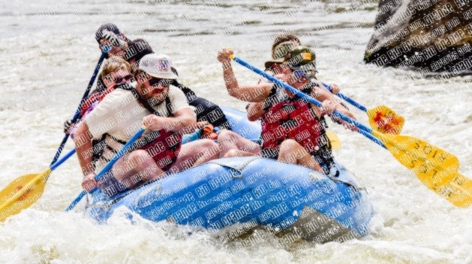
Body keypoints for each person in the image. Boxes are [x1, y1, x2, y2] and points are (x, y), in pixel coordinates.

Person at [73, 54, 219, 196]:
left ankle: (188, 189)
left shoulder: (173, 93)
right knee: (140, 157)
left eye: (166, 81)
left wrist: (162, 122)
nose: (161, 87)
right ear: (139, 77)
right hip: (117, 174)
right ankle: (170, 194)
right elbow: (81, 132)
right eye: (155, 81)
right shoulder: (116, 102)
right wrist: (88, 173)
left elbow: (188, 121)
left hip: (160, 162)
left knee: (209, 147)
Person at [216, 45, 357, 175]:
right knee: (231, 155)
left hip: (311, 163)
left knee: (288, 146)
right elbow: (235, 91)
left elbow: (348, 117)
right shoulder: (271, 90)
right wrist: (226, 64)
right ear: (285, 70)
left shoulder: (315, 93)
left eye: (310, 74)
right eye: (299, 73)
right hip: (273, 159)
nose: (305, 79)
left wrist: (333, 109)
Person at [94, 23, 232, 130]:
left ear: (122, 36)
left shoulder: (139, 47)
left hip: (171, 94)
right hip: (146, 108)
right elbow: (95, 97)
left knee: (210, 108)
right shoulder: (107, 74)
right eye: (104, 45)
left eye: (112, 41)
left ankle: (230, 137)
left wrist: (121, 45)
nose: (111, 47)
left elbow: (141, 48)